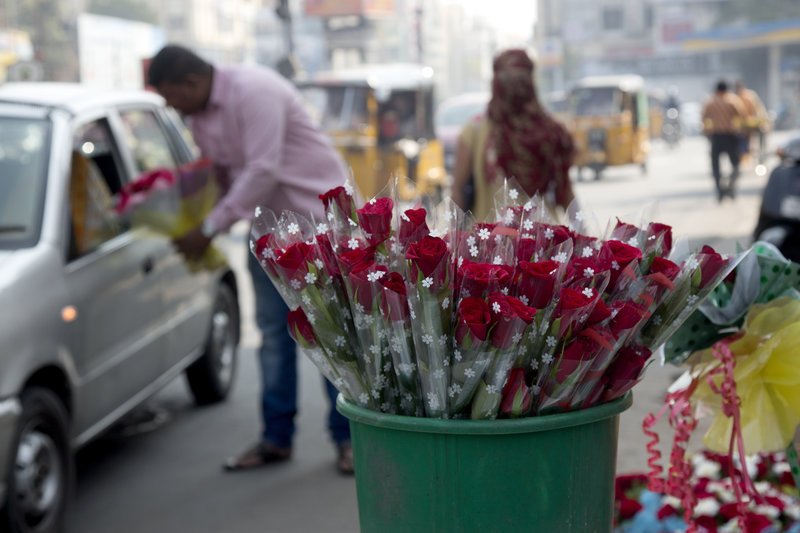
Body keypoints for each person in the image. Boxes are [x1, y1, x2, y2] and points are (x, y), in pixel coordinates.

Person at [147, 45, 355, 474]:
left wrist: (207, 229)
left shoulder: (254, 90)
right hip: (267, 234)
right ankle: (275, 438)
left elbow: (262, 169)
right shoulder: (201, 117)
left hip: (316, 227)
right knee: (274, 338)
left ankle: (348, 439)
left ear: (190, 82)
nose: (172, 106)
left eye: (172, 96)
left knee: (332, 337)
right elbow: (226, 177)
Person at [451, 49, 575, 221]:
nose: (513, 88)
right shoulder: (475, 131)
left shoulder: (551, 132)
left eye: (519, 80)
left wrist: (584, 236)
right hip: (492, 243)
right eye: (507, 80)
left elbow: (565, 190)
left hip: (542, 242)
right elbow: (458, 190)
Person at [701, 80, 746, 202]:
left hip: (716, 137)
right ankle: (731, 186)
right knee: (736, 164)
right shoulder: (733, 100)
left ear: (716, 90)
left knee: (716, 166)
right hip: (731, 136)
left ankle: (720, 190)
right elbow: (742, 116)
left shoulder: (710, 102)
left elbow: (704, 118)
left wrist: (707, 132)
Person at [734, 80, 769, 164]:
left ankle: (761, 155)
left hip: (754, 123)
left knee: (762, 134)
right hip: (742, 126)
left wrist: (763, 121)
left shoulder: (750, 95)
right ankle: (741, 156)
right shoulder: (735, 98)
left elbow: (759, 109)